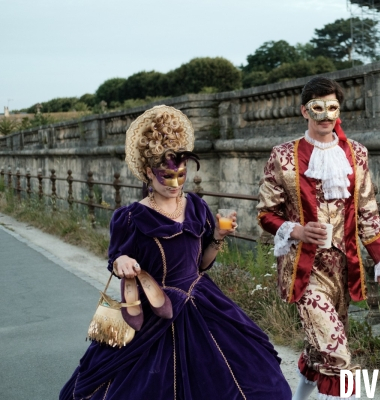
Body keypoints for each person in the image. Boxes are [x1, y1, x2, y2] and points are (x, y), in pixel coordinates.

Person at [60, 105, 292, 400]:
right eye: (165, 176)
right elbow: (116, 260)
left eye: (181, 175)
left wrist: (218, 237)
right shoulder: (130, 218)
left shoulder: (196, 207)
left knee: (251, 377)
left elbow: (201, 265)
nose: (174, 183)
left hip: (202, 301)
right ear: (147, 172)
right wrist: (123, 261)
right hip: (152, 308)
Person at [257, 77, 380, 400]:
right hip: (303, 272)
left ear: (339, 111)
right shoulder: (283, 157)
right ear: (304, 111)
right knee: (336, 354)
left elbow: (368, 213)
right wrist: (297, 230)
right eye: (317, 108)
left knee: (318, 348)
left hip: (343, 269)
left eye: (332, 108)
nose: (325, 116)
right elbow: (266, 213)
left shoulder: (357, 155)